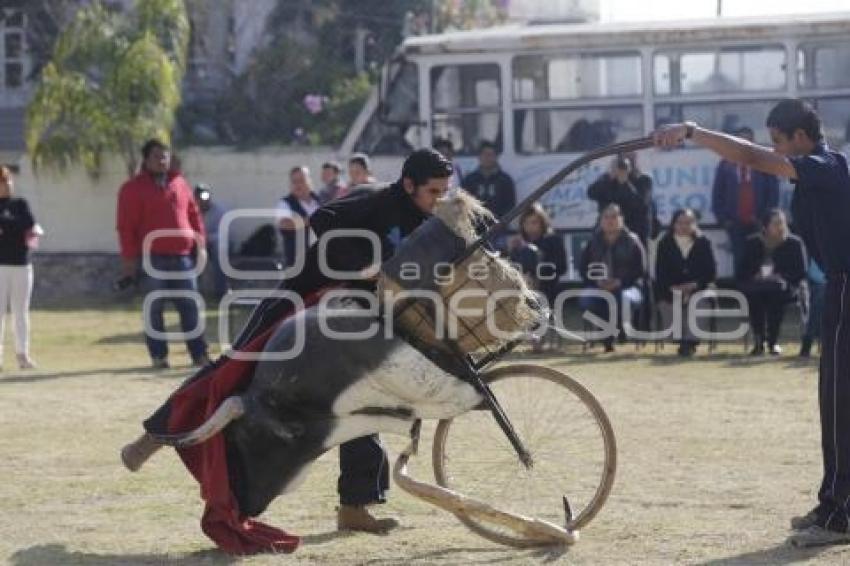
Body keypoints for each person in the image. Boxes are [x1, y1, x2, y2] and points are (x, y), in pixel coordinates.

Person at [653, 99, 850, 546]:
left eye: (779, 140)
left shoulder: (822, 165)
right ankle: (834, 502)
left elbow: (750, 157)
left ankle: (840, 516)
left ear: (800, 136)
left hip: (846, 286)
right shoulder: (820, 167)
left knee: (840, 401)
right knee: (834, 399)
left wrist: (690, 131)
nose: (774, 149)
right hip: (841, 286)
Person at [117, 139, 210, 369]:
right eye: (157, 156)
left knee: (190, 306)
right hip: (151, 258)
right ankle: (159, 356)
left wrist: (201, 245)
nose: (162, 160)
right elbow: (125, 227)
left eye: (165, 156)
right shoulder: (132, 189)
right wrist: (129, 261)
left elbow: (194, 215)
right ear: (146, 159)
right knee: (154, 308)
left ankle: (199, 355)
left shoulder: (179, 183)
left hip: (182, 257)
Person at [737, 209, 807, 356]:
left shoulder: (794, 243)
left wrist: (781, 276)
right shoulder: (753, 242)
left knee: (777, 295)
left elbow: (800, 271)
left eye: (782, 223)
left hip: (784, 286)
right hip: (757, 286)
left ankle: (772, 342)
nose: (781, 226)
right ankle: (759, 341)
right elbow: (741, 270)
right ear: (765, 226)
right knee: (755, 297)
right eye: (776, 224)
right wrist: (754, 275)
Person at [578, 204, 646, 353]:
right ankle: (610, 335)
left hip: (628, 286)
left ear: (621, 219)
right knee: (590, 300)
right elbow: (583, 269)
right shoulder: (592, 242)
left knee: (620, 297)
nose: (610, 221)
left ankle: (612, 334)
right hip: (597, 286)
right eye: (606, 217)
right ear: (600, 220)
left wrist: (619, 282)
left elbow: (640, 270)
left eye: (614, 216)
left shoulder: (632, 240)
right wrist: (597, 282)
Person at [711, 126, 780, 267]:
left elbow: (773, 193)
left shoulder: (764, 163)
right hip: (735, 223)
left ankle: (759, 289)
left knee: (761, 259)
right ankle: (741, 289)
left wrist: (766, 219)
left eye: (748, 140)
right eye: (740, 140)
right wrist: (724, 220)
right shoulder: (725, 165)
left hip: (759, 223)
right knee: (740, 260)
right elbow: (717, 194)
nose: (744, 143)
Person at [654, 208, 717, 356]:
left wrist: (694, 285)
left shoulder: (703, 242)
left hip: (698, 287)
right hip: (671, 289)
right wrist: (674, 287)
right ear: (673, 224)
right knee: (667, 303)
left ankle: (689, 343)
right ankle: (680, 339)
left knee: (701, 301)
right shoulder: (665, 243)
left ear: (695, 224)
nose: (684, 226)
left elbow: (710, 272)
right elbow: (660, 272)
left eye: (688, 223)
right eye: (680, 223)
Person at [0, 166, 39, 369]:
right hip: (1, 265)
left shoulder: (20, 203)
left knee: (20, 312)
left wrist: (7, 225)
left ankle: (22, 354)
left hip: (22, 264)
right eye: (3, 182)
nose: (7, 185)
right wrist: (12, 226)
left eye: (8, 181)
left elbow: (29, 223)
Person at [587, 155, 653, 244]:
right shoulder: (607, 179)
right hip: (607, 233)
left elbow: (640, 204)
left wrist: (625, 183)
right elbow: (591, 193)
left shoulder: (643, 180)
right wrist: (610, 176)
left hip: (634, 233)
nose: (621, 168)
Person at [277, 166, 320, 269]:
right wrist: (312, 220)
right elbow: (285, 224)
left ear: (309, 181)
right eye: (294, 181)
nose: (297, 185)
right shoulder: (285, 203)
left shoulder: (320, 201)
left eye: (301, 180)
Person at [462, 140, 517, 218]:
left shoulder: (505, 180)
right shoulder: (469, 180)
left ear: (496, 157)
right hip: (475, 226)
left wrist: (499, 220)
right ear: (479, 157)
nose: (487, 158)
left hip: (499, 225)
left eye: (490, 155)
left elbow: (510, 205)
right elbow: (463, 203)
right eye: (484, 154)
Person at [194, 184, 230, 300]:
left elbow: (223, 234)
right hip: (198, 244)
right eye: (200, 198)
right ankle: (192, 292)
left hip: (215, 244)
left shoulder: (219, 211)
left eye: (205, 197)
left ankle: (221, 292)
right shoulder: (191, 210)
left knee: (219, 249)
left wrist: (205, 238)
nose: (203, 201)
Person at [800, 258, 826, 358]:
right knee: (821, 296)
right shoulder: (815, 249)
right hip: (818, 284)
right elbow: (815, 275)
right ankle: (809, 340)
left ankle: (808, 342)